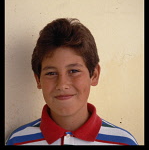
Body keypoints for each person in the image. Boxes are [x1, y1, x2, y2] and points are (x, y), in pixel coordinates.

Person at [6, 18, 138, 145]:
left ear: (94, 75)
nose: (62, 84)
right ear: (38, 80)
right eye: (51, 73)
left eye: (74, 71)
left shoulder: (123, 142)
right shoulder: (18, 141)